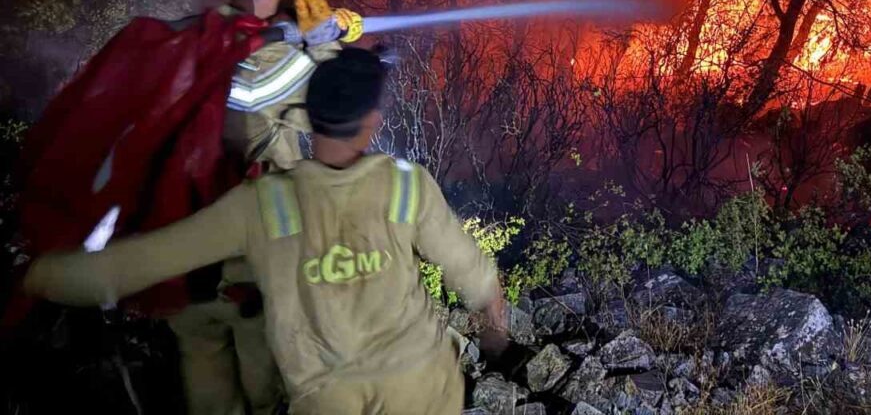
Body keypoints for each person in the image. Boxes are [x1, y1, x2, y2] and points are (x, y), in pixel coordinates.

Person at [23, 48, 509, 415]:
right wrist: (495, 336)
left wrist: (36, 276)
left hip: (330, 399)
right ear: (371, 124)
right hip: (423, 388)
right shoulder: (409, 186)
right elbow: (477, 279)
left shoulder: (263, 204)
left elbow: (132, 265)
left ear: (307, 118)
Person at [167, 0, 361, 415]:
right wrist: (323, 46)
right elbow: (328, 109)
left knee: (205, 388)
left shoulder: (192, 34)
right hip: (251, 269)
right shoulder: (272, 58)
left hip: (184, 259)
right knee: (266, 392)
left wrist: (297, 32)